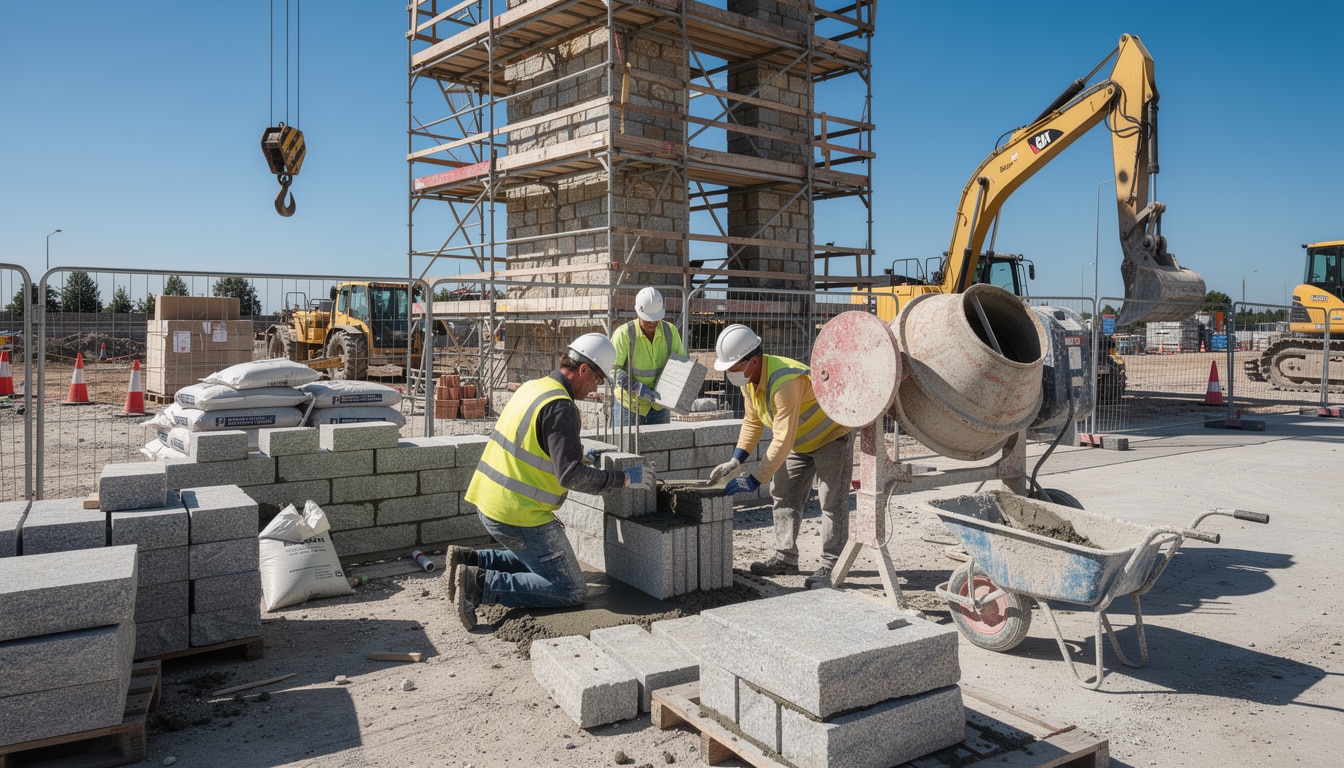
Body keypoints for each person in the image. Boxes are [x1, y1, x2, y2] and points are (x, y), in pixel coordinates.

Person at [444, 333, 654, 630]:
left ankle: (470, 560)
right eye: (598, 380)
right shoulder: (562, 407)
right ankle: (480, 584)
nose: (596, 388)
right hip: (518, 513)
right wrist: (622, 479)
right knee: (570, 589)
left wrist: (576, 451)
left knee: (545, 561)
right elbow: (571, 476)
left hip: (491, 500)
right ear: (583, 370)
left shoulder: (535, 387)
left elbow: (536, 444)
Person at [708, 323, 854, 590]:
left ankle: (832, 565)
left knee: (831, 502)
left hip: (831, 437)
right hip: (800, 443)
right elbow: (752, 421)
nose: (729, 374)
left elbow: (782, 438)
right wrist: (736, 459)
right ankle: (786, 558)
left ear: (752, 361)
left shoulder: (784, 380)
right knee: (783, 493)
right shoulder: (749, 381)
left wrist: (754, 478)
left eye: (732, 367)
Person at [610, 286, 687, 426]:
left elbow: (681, 364)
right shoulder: (624, 334)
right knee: (627, 446)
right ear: (638, 313)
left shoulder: (670, 331)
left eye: (656, 319)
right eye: (648, 319)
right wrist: (637, 388)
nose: (652, 323)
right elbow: (612, 371)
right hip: (630, 404)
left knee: (659, 447)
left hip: (659, 405)